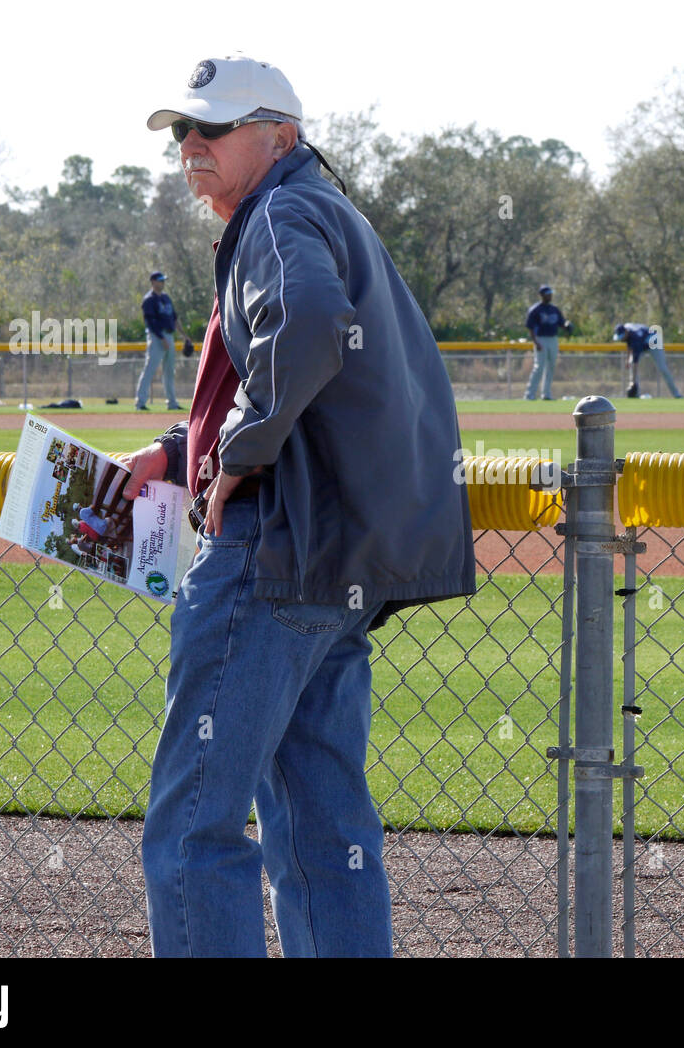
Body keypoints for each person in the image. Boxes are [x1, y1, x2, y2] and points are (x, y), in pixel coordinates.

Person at [122, 54, 475, 958]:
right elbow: (323, 382)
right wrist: (181, 451)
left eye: (213, 128)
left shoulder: (278, 212)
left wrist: (235, 454)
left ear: (280, 134)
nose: (191, 146)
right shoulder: (321, 210)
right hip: (329, 570)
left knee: (196, 829)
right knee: (326, 835)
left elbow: (310, 323)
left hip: (270, 560)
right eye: (182, 132)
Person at [137, 271, 188, 411]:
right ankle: (140, 402)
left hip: (169, 336)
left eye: (163, 280)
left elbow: (174, 318)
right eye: (160, 280)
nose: (162, 283)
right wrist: (161, 338)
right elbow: (150, 322)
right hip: (156, 337)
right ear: (153, 282)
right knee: (150, 370)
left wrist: (184, 335)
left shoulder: (166, 298)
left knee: (169, 371)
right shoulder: (149, 299)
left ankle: (172, 403)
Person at [523, 285, 571, 400]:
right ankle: (529, 395)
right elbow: (530, 327)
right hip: (541, 339)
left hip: (553, 339)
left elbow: (561, 323)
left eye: (550, 293)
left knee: (551, 367)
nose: (550, 295)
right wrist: (535, 342)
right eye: (548, 293)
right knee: (538, 367)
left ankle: (546, 394)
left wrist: (567, 326)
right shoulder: (535, 309)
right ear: (542, 295)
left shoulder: (554, 309)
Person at [614, 323, 683, 398]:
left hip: (654, 342)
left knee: (662, 368)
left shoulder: (636, 339)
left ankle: (677, 394)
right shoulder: (627, 329)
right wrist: (627, 360)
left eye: (622, 336)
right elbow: (629, 344)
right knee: (630, 363)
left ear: (626, 332)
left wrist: (633, 382)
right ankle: (636, 395)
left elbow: (635, 362)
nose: (621, 339)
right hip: (643, 341)